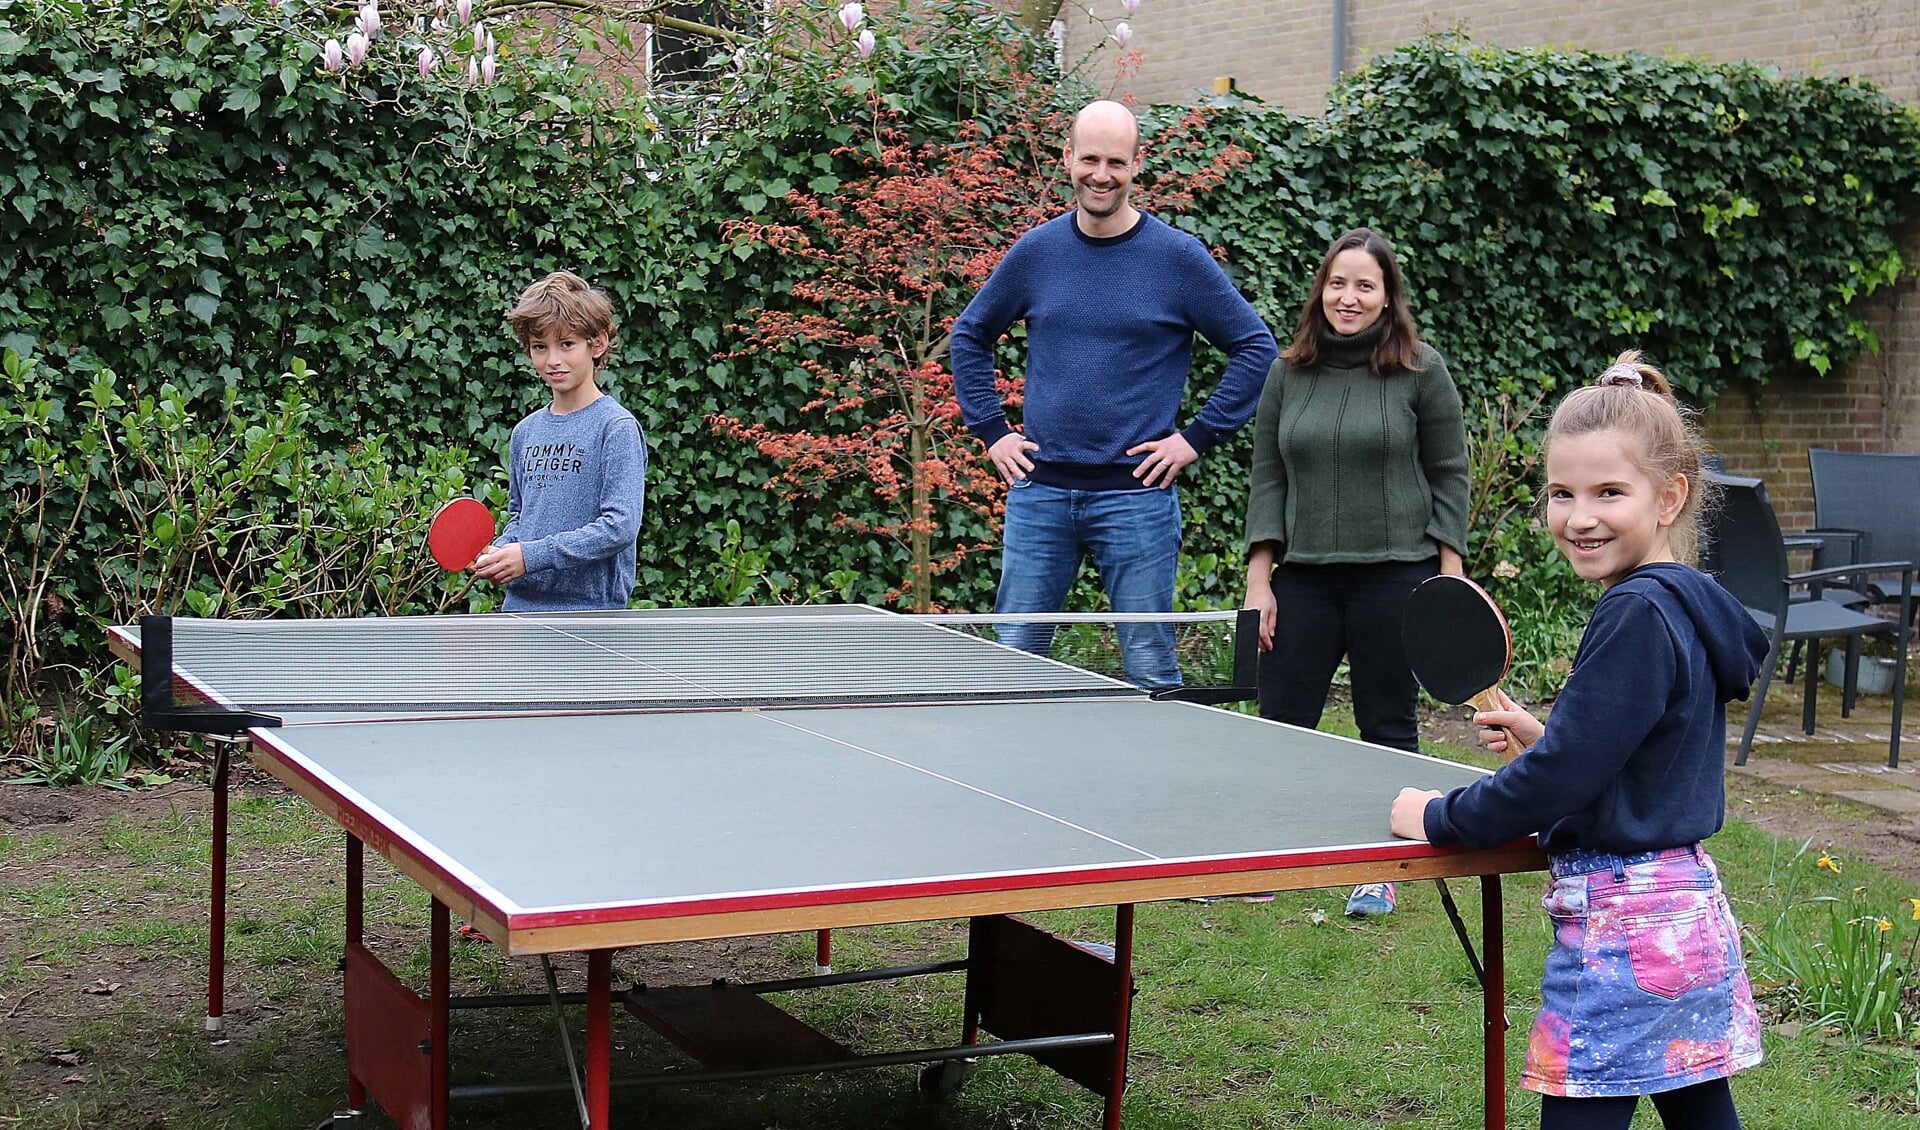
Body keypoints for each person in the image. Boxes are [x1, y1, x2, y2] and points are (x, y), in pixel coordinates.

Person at [1388, 352, 1769, 1130]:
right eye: (1562, 494)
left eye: (1608, 493)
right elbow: (1638, 749)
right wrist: (1547, 734)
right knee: (1701, 1112)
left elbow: (1560, 781)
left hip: (1623, 928)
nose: (1580, 516)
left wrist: (1437, 817)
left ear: (1670, 499)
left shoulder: (1633, 613)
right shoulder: (1686, 605)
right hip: (1686, 908)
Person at [949, 99, 1278, 690]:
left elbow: (1256, 348)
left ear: (1136, 166)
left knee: (1150, 668)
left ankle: (1155, 784)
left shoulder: (1177, 258)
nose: (1102, 174)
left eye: (1116, 162)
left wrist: (1195, 439)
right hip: (1039, 493)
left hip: (1136, 500)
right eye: (1091, 159)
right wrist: (992, 432)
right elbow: (971, 334)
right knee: (1011, 664)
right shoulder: (1037, 252)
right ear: (1068, 158)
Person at [1241, 227, 1470, 917]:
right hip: (1304, 578)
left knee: (1387, 723)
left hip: (1396, 576)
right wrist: (1261, 579)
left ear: (1387, 296)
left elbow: (1450, 474)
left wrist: (1449, 577)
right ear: (1322, 290)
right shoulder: (1288, 373)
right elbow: (1268, 476)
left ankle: (1382, 865)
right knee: (1281, 722)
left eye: (1364, 285)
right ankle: (1269, 858)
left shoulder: (1421, 371)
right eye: (1338, 283)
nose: (1349, 297)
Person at [471, 270, 648, 612]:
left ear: (597, 344)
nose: (553, 360)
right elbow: (521, 517)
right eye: (540, 347)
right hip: (520, 612)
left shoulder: (616, 428)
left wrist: (530, 556)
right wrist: (499, 553)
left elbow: (619, 527)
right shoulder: (526, 432)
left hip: (591, 618)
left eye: (566, 344)